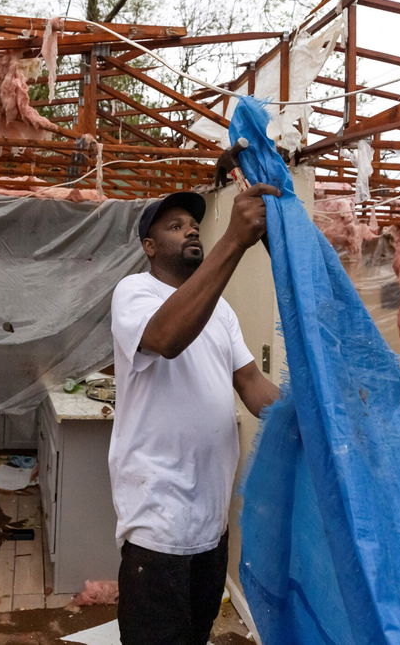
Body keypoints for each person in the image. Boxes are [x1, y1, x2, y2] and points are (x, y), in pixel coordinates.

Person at [109, 183, 282, 645]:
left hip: (211, 523)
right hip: (158, 523)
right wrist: (233, 242)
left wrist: (303, 418)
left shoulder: (221, 311)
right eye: (174, 226)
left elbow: (250, 383)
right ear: (149, 247)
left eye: (193, 225)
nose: (190, 231)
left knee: (195, 635)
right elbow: (166, 338)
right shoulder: (135, 292)